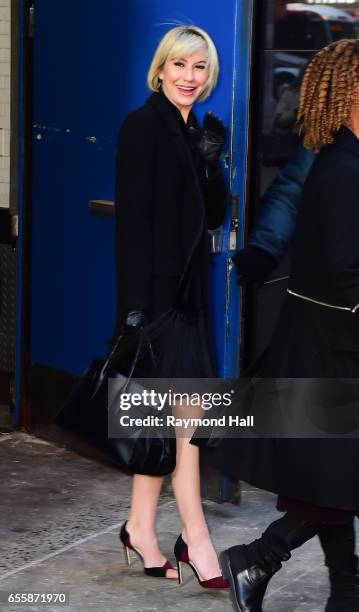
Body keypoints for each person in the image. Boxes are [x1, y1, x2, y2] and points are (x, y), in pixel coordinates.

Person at [199, 39, 359, 611]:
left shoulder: (342, 159)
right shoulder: (339, 167)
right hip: (334, 343)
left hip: (326, 338)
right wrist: (261, 252)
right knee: (336, 475)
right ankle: (267, 558)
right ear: (347, 96)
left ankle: (336, 585)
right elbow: (343, 269)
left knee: (331, 474)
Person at [113, 25, 228, 588]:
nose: (189, 76)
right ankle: (198, 540)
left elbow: (212, 217)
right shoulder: (142, 127)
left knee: (167, 423)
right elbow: (132, 226)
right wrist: (134, 312)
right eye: (179, 65)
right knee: (183, 425)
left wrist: (210, 162)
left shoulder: (195, 133)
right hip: (158, 303)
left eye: (199, 68)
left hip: (190, 299)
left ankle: (140, 526)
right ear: (160, 70)